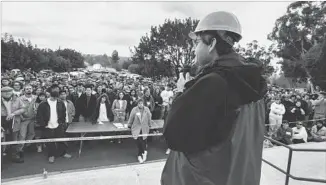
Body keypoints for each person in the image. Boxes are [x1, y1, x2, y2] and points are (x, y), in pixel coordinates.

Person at [161, 11, 267, 185]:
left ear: (212, 44)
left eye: (197, 42)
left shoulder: (215, 82)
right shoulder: (256, 82)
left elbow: (174, 135)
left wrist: (182, 93)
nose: (195, 50)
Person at [36, 84, 72, 163]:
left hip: (58, 125)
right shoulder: (43, 103)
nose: (56, 91)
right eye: (54, 89)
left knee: (61, 139)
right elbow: (39, 116)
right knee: (50, 142)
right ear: (50, 91)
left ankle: (63, 153)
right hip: (47, 126)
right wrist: (43, 125)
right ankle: (51, 155)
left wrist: (61, 123)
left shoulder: (60, 102)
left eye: (57, 89)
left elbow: (63, 113)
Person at [1, 87, 26, 163]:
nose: (7, 93)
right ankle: (2, 156)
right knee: (2, 139)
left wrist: (13, 113)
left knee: (14, 138)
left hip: (14, 120)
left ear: (12, 92)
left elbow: (23, 109)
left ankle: (14, 155)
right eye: (4, 92)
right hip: (2, 120)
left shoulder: (17, 99)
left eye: (9, 91)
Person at [127, 99, 152, 164]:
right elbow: (131, 118)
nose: (140, 104)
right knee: (138, 142)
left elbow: (149, 117)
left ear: (143, 103)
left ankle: (140, 155)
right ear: (137, 104)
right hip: (136, 128)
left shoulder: (146, 109)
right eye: (139, 103)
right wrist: (129, 125)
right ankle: (144, 151)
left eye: (141, 103)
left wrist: (149, 125)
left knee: (143, 141)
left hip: (144, 128)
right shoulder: (134, 109)